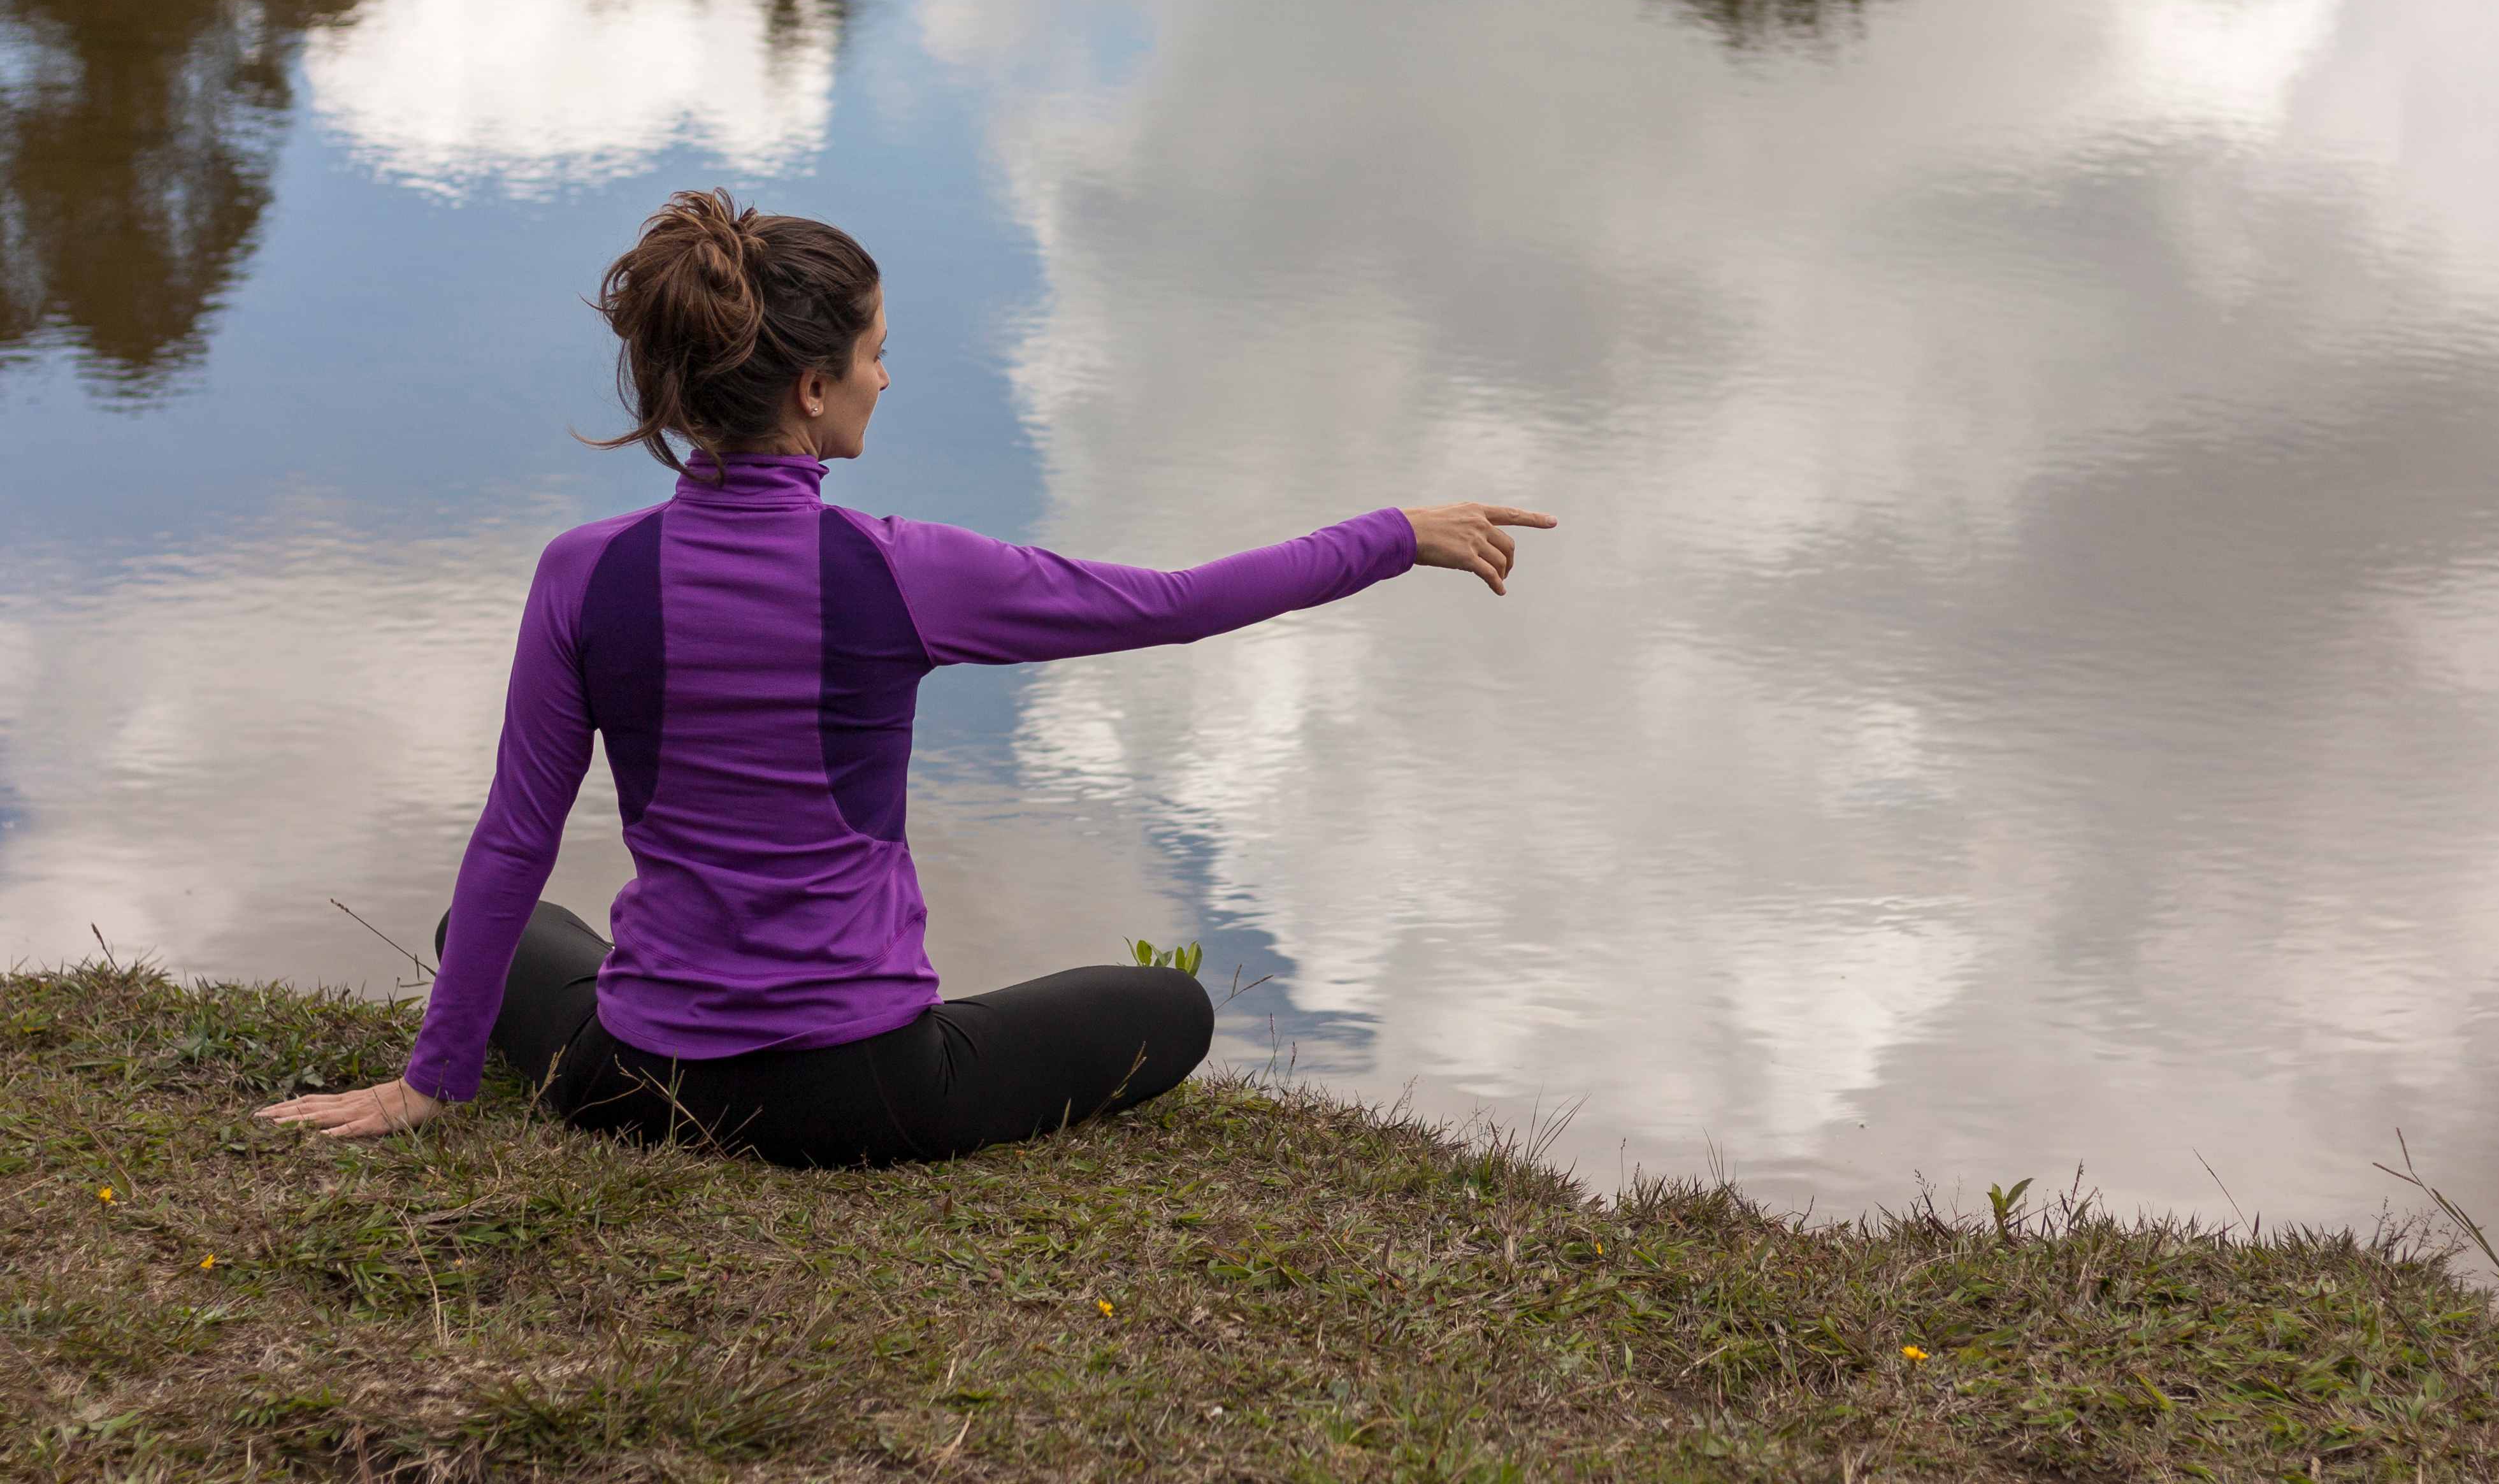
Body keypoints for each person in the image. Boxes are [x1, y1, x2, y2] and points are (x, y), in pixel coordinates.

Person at [257, 189, 1553, 1167]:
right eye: (876, 351)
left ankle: (561, 1038)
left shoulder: (579, 572)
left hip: (636, 1076)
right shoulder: (905, 569)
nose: (889, 372)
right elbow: (1173, 604)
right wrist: (1395, 532)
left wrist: (436, 1076)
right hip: (861, 1093)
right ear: (814, 389)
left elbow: (512, 839)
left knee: (484, 934)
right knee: (1171, 1008)